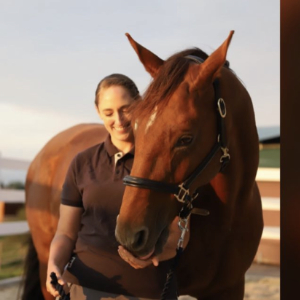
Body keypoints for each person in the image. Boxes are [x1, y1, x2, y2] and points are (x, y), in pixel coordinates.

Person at [46, 73, 189, 300]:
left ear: (140, 104)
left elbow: (181, 232)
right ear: (98, 112)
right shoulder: (82, 162)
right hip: (83, 288)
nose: (119, 119)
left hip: (147, 292)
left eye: (126, 108)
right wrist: (54, 263)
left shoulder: (164, 161)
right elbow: (65, 232)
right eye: (109, 112)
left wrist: (156, 252)